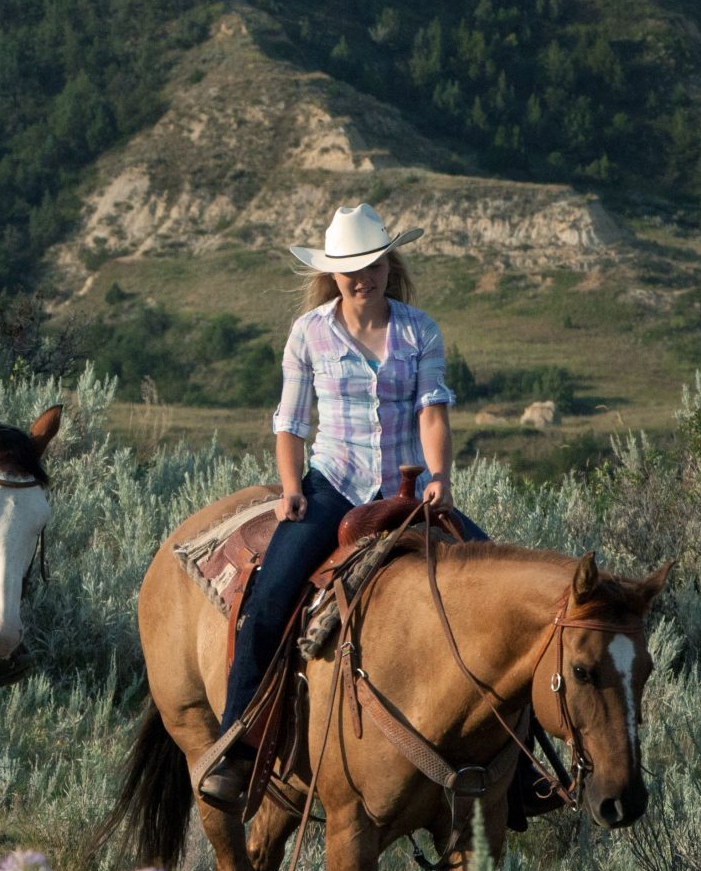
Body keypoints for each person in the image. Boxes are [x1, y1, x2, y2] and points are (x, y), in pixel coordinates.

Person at [192, 203, 489, 810]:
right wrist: (291, 484)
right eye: (351, 269)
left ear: (388, 264)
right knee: (270, 595)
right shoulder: (309, 333)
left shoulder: (418, 330)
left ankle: (525, 761)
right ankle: (237, 742)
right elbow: (290, 421)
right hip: (336, 484)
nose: (363, 277)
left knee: (488, 579)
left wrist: (440, 478)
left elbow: (433, 411)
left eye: (373, 265)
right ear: (333, 274)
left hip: (406, 488)